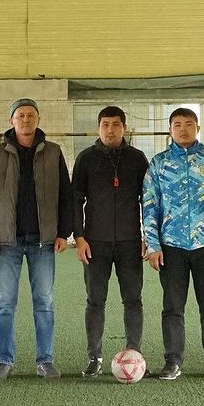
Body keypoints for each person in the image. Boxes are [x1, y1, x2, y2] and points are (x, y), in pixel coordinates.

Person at [0, 99, 72, 379]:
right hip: (7, 241)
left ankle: (45, 360)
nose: (26, 119)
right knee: (5, 304)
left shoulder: (53, 152)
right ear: (11, 121)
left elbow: (65, 195)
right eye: (20, 115)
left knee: (44, 302)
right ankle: (4, 361)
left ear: (38, 119)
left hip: (43, 241)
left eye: (31, 115)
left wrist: (62, 232)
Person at [142, 108, 204, 380]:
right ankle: (172, 360)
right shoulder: (159, 163)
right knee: (172, 307)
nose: (183, 129)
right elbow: (149, 205)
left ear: (198, 128)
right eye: (177, 125)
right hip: (171, 246)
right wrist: (153, 245)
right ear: (170, 129)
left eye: (188, 124)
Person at [71, 105, 149, 377]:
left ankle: (134, 353)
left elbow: (148, 200)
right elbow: (75, 200)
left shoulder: (137, 159)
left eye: (116, 124)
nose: (110, 130)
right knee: (95, 301)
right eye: (105, 124)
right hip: (95, 243)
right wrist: (79, 237)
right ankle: (94, 357)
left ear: (124, 128)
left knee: (133, 300)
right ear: (98, 128)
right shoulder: (86, 159)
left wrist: (147, 237)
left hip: (130, 242)